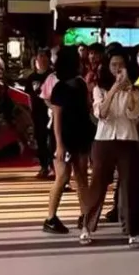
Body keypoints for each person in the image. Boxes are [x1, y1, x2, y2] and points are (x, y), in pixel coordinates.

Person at [80, 46, 139, 248]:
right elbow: (102, 114)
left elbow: (134, 114)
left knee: (129, 186)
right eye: (114, 65)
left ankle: (132, 230)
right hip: (104, 140)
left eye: (121, 65)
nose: (118, 69)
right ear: (107, 67)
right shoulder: (100, 88)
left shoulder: (134, 89)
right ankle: (86, 226)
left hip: (128, 139)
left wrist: (130, 90)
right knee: (98, 184)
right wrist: (115, 89)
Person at [42, 46, 94, 234]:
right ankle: (50, 218)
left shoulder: (79, 84)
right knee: (62, 177)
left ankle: (85, 215)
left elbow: (86, 107)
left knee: (81, 177)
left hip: (80, 134)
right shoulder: (60, 88)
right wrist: (59, 145)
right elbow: (57, 118)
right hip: (64, 136)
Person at [21, 48, 54, 179]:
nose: (42, 59)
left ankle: (53, 166)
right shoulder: (32, 77)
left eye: (44, 56)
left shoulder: (52, 76)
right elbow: (27, 95)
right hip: (37, 113)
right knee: (40, 139)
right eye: (39, 56)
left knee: (51, 140)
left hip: (51, 113)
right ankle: (44, 166)